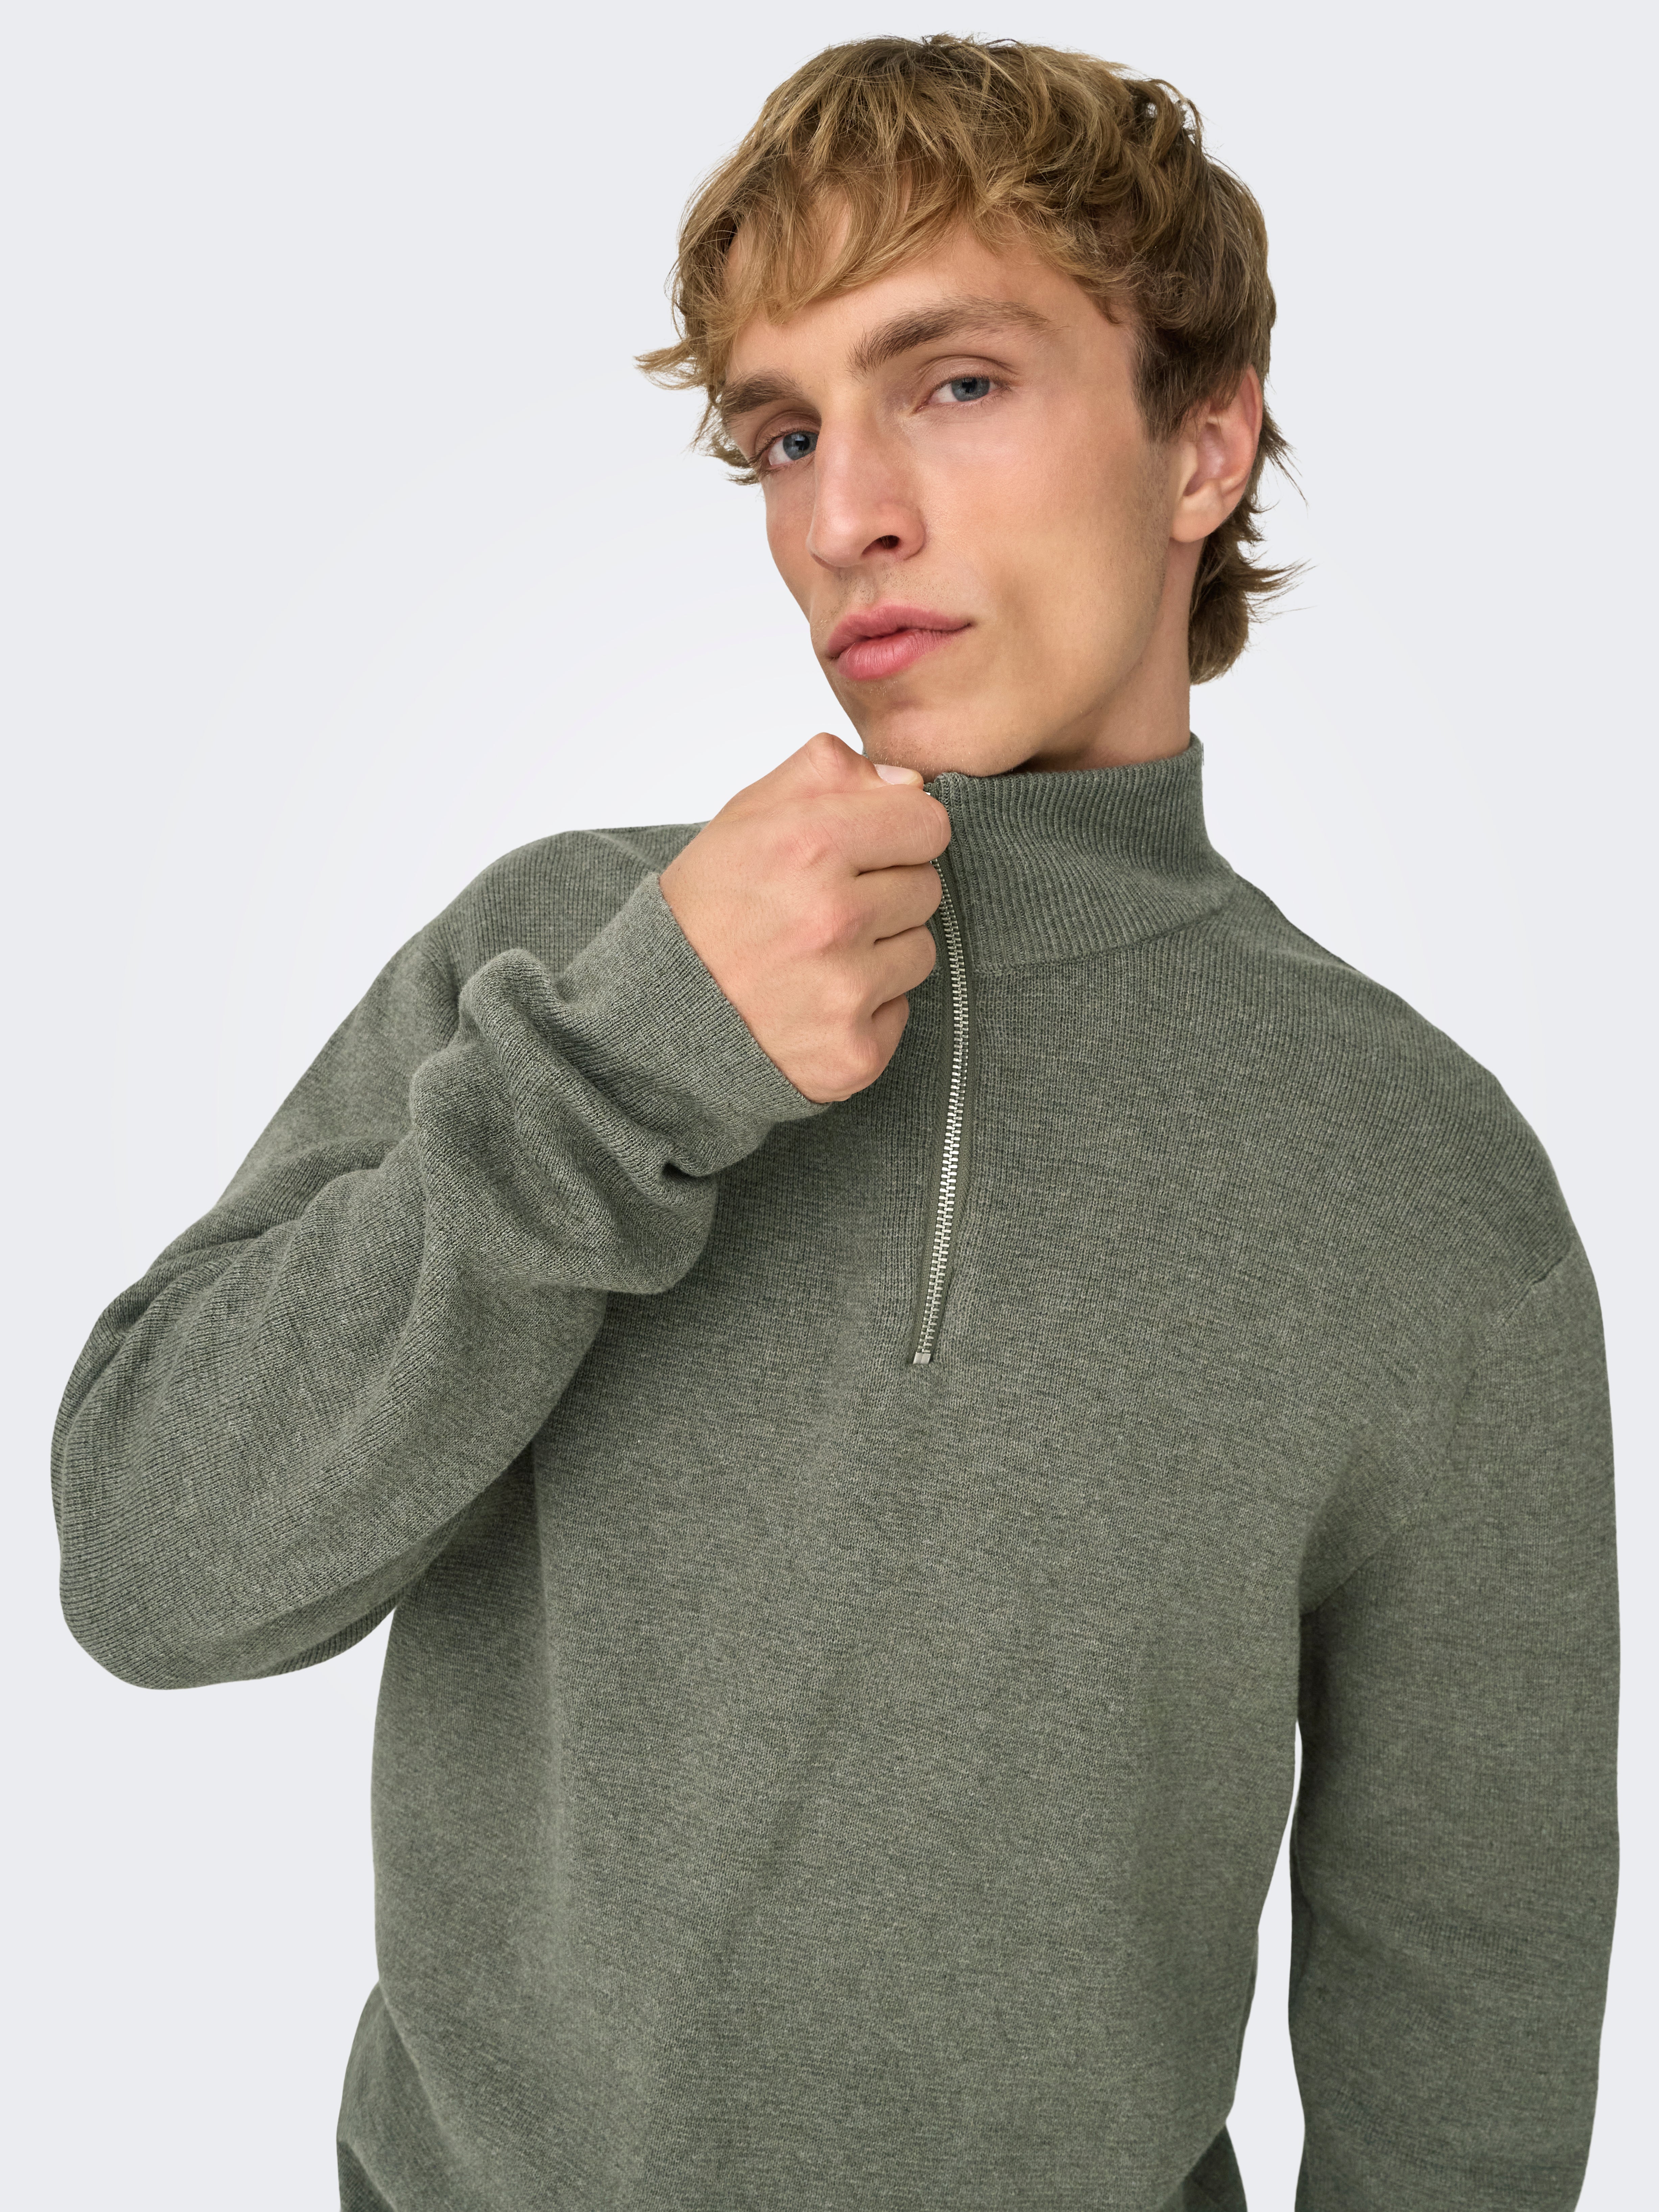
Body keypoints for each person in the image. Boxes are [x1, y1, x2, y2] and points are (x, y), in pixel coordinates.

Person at [51, 33, 1618, 2212]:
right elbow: (153, 1574)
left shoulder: (1425, 1178)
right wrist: (625, 1070)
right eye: (781, 432)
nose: (838, 514)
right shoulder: (564, 964)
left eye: (954, 383)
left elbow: (1470, 1978)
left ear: (1206, 444)